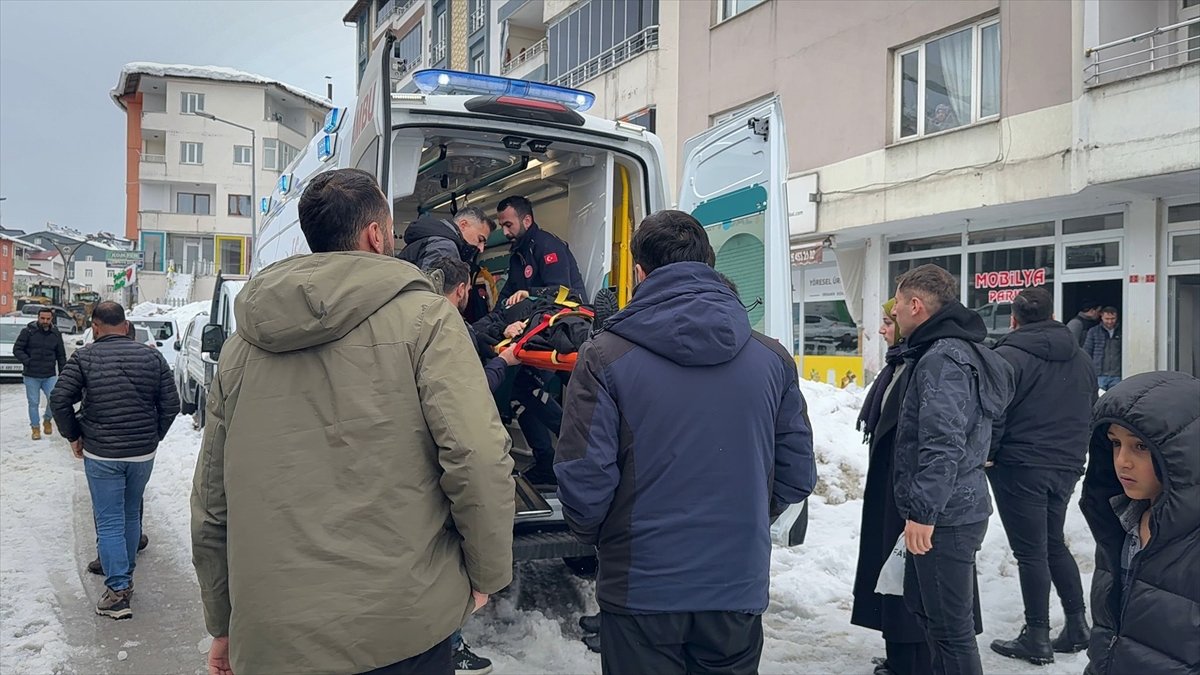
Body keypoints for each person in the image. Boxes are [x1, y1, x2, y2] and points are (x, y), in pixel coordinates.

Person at [191, 168, 515, 675]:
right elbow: (477, 458)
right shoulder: (428, 321)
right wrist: (486, 576)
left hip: (277, 636)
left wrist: (223, 623)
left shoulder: (241, 347)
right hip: (404, 629)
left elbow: (213, 500)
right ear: (375, 234)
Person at [554, 210, 816, 675]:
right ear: (711, 264)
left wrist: (605, 538)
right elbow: (796, 474)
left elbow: (583, 476)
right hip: (735, 585)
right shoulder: (772, 358)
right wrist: (745, 517)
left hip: (640, 588)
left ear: (639, 273)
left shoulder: (605, 356)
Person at [890, 264, 1013, 675]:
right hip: (954, 507)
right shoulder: (959, 349)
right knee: (931, 617)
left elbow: (942, 441)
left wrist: (923, 513)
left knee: (951, 630)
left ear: (915, 304)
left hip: (946, 516)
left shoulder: (943, 357)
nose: (893, 313)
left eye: (896, 303)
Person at [986, 287, 1097, 665]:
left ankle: (1036, 635)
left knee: (1031, 551)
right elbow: (1089, 408)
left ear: (1013, 320)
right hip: (1065, 464)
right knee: (1052, 543)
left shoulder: (1007, 355)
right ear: (1053, 316)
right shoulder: (1081, 358)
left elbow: (996, 413)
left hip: (1020, 465)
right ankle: (1078, 624)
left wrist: (988, 455)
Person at [49, 301, 179, 620]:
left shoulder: (85, 357)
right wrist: (154, 435)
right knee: (131, 513)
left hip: (102, 453)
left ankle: (119, 591)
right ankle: (125, 576)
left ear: (95, 326)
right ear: (125, 325)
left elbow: (59, 398)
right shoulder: (152, 356)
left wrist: (74, 435)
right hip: (141, 453)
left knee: (109, 519)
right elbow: (171, 404)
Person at [851, 299, 956, 675]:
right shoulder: (901, 362)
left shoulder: (924, 364)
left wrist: (921, 504)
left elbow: (938, 437)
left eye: (887, 321)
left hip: (913, 494)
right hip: (893, 488)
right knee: (892, 578)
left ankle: (912, 663)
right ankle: (900, 656)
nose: (881, 330)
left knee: (910, 582)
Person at [1080, 371, 1199, 675]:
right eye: (1115, 444)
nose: (1122, 461)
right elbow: (1109, 633)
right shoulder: (1120, 524)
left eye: (1140, 447)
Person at [495, 195, 586, 306]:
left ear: (527, 221)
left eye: (508, 225)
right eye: (502, 226)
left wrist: (530, 294)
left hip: (568, 316)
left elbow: (561, 291)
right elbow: (507, 293)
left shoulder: (548, 247)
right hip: (536, 314)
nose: (505, 232)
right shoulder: (517, 256)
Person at [13, 307, 67, 440]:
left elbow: (61, 355)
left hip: (49, 375)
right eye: (42, 318)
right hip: (31, 375)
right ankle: (35, 428)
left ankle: (47, 420)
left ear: (51, 319)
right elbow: (17, 349)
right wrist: (27, 361)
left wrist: (64, 374)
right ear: (38, 317)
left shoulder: (56, 334)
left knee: (53, 399)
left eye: (48, 319)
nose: (45, 321)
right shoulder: (28, 332)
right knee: (33, 402)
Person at [397, 206, 494, 271]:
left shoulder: (432, 238)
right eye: (480, 239)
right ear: (463, 225)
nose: (481, 249)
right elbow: (433, 293)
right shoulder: (445, 247)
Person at [1083, 307, 1122, 390]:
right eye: (1107, 319)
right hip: (1099, 374)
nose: (1110, 321)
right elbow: (1087, 352)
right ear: (1101, 317)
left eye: (1113, 318)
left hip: (1117, 374)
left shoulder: (1122, 331)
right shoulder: (1093, 331)